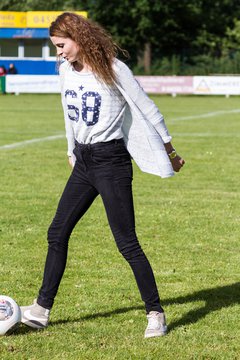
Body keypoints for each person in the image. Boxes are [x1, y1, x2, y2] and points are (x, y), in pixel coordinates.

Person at [20, 12, 185, 338]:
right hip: (84, 162)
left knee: (127, 243)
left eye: (62, 45)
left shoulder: (114, 69)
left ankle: (155, 313)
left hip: (111, 163)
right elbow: (68, 115)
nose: (59, 53)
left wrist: (170, 152)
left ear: (79, 38)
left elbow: (149, 108)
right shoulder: (66, 71)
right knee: (57, 233)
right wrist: (71, 150)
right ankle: (41, 309)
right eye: (55, 47)